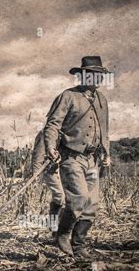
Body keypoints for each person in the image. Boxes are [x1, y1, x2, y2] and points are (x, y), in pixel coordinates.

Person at [44, 56, 110, 258]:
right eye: (91, 74)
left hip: (93, 159)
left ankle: (79, 245)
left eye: (99, 75)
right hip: (71, 157)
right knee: (78, 199)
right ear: (82, 76)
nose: (95, 78)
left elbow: (104, 130)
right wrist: (50, 147)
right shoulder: (67, 96)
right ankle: (62, 233)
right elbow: (52, 125)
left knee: (92, 205)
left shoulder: (102, 100)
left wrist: (107, 154)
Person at [31, 130, 65, 234]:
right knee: (60, 196)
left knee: (64, 198)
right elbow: (38, 154)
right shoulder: (45, 133)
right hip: (50, 170)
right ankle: (55, 228)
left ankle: (58, 228)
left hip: (64, 170)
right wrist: (35, 174)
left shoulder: (66, 132)